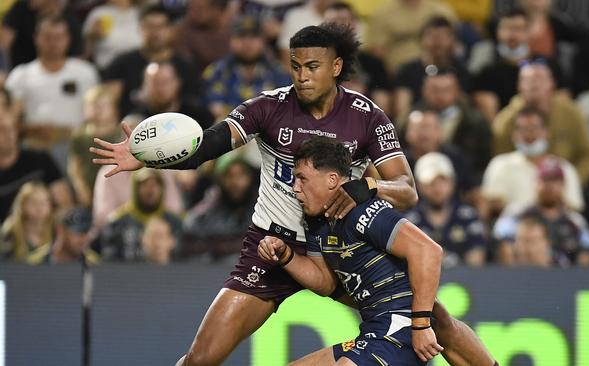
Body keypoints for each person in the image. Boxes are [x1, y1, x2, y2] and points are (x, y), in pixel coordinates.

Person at [91, 23, 495, 366]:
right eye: (296, 66)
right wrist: (149, 157)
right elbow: (208, 147)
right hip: (272, 246)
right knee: (201, 359)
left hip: (340, 248)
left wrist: (368, 185)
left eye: (313, 67)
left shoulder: (368, 116)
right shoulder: (268, 108)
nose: (302, 76)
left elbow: (407, 190)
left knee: (433, 317)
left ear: (336, 67)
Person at [259, 137, 495, 365]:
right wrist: (286, 257)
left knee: (441, 320)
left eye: (302, 179)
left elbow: (428, 250)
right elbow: (325, 283)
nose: (295, 188)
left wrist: (421, 325)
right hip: (374, 330)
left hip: (401, 326)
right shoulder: (315, 222)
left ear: (332, 179)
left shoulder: (361, 210)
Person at [5, 15, 99, 168]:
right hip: (36, 144)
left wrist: (72, 132)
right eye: (48, 37)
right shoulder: (21, 75)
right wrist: (30, 129)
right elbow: (8, 119)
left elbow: (100, 112)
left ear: (68, 38)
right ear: (37, 38)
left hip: (78, 143)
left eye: (59, 37)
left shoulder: (85, 72)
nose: (54, 42)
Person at [407, 152, 487, 267]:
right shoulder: (410, 222)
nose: (437, 187)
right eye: (430, 182)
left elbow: (477, 259)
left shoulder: (468, 217)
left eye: (443, 180)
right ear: (419, 185)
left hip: (465, 282)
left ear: (453, 182)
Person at [0, 181, 55, 262]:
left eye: (44, 202)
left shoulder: (57, 230)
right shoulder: (10, 230)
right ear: (22, 205)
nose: (39, 207)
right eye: (34, 202)